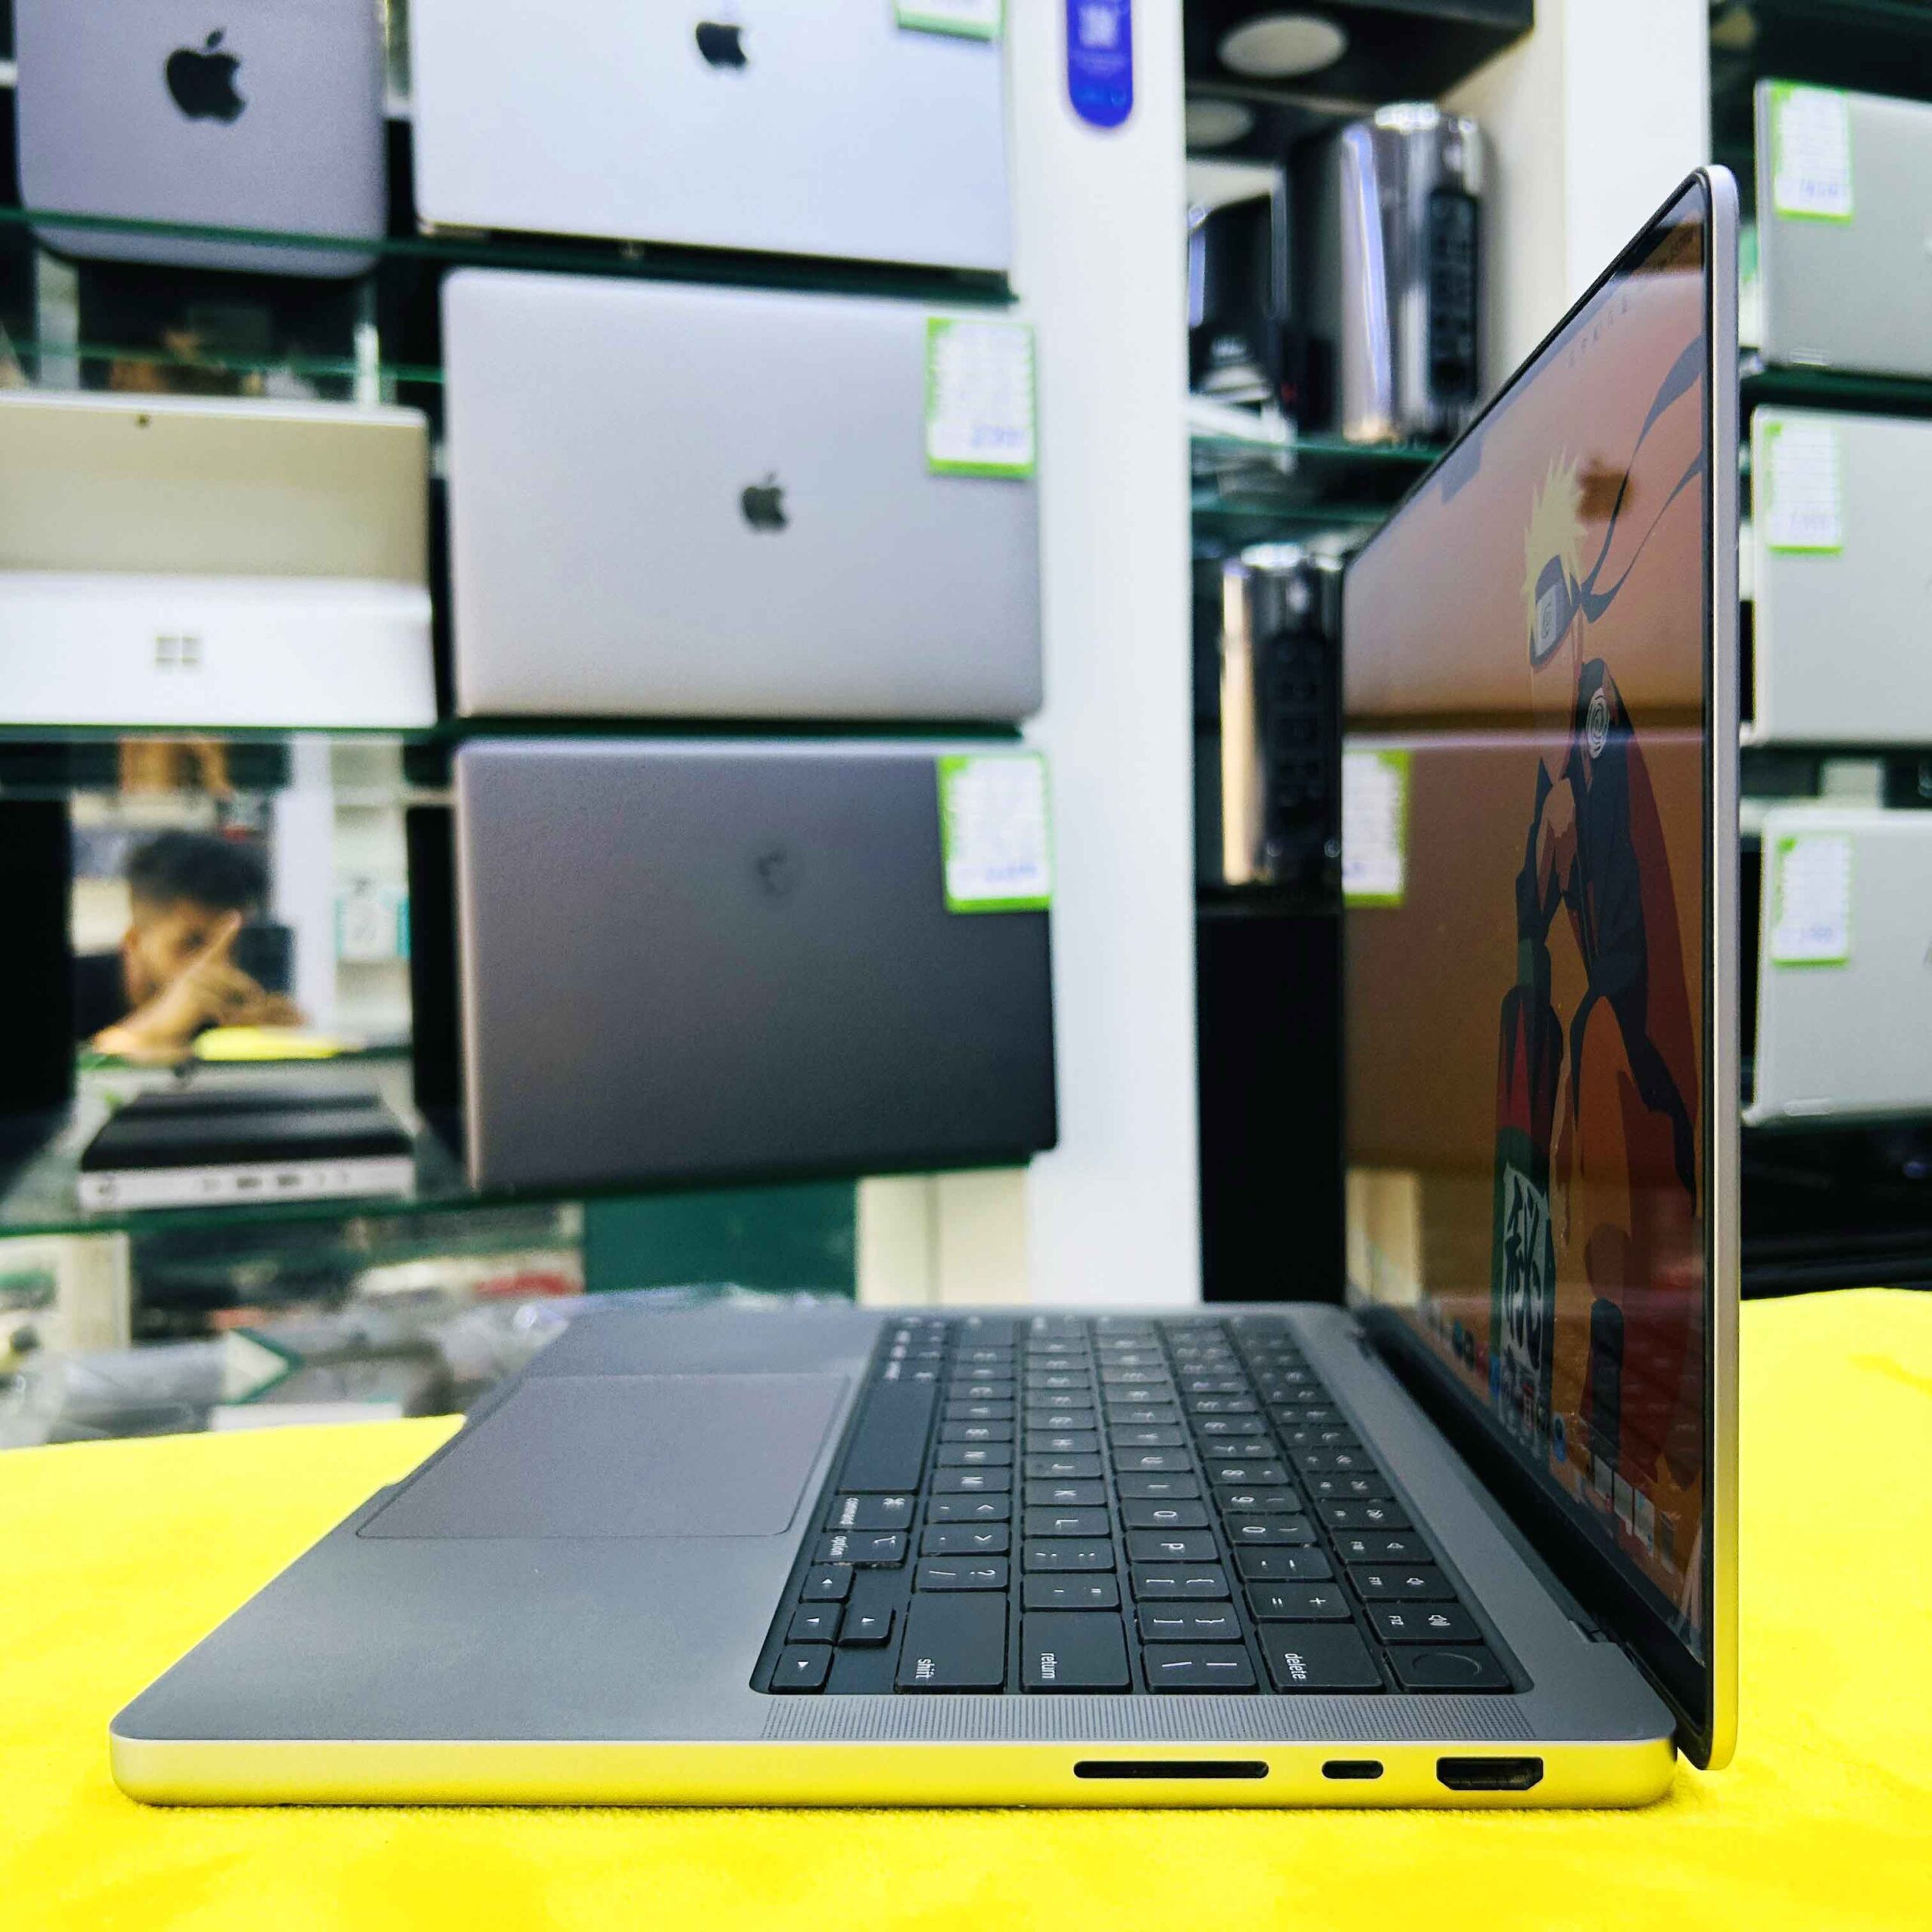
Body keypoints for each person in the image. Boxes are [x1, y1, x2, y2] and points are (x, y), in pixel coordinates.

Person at [73, 831, 300, 1060]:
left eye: (233, 942)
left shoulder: (230, 1003)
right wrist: (156, 1027)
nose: (218, 961)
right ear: (134, 942)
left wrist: (275, 1046)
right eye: (193, 944)